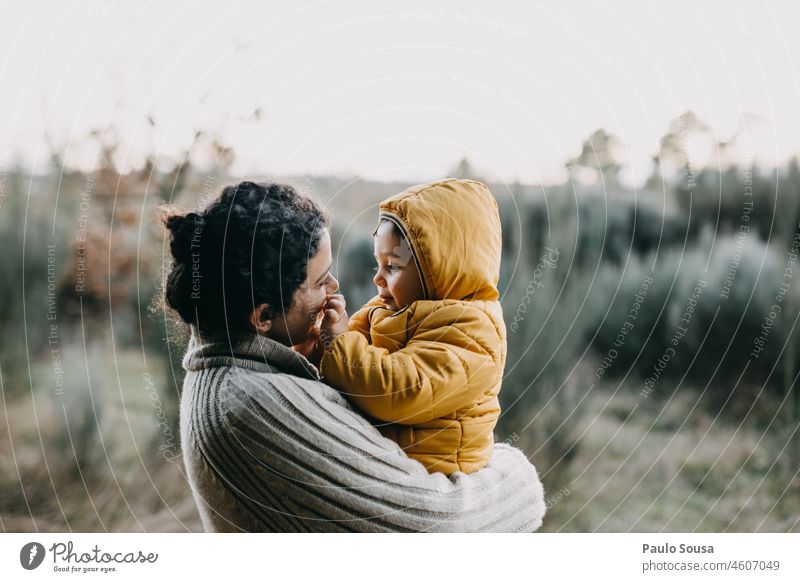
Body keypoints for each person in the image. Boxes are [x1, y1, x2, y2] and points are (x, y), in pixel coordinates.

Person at [163, 180, 545, 532]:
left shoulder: (240, 374)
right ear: (263, 317)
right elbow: (437, 525)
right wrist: (518, 477)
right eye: (320, 281)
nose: (335, 286)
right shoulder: (251, 404)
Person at [319, 179, 505, 476]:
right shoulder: (389, 306)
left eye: (392, 266)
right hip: (396, 457)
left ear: (439, 270)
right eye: (377, 264)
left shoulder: (473, 330)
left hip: (437, 471)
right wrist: (322, 341)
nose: (378, 279)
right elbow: (351, 348)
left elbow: (401, 389)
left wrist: (340, 343)